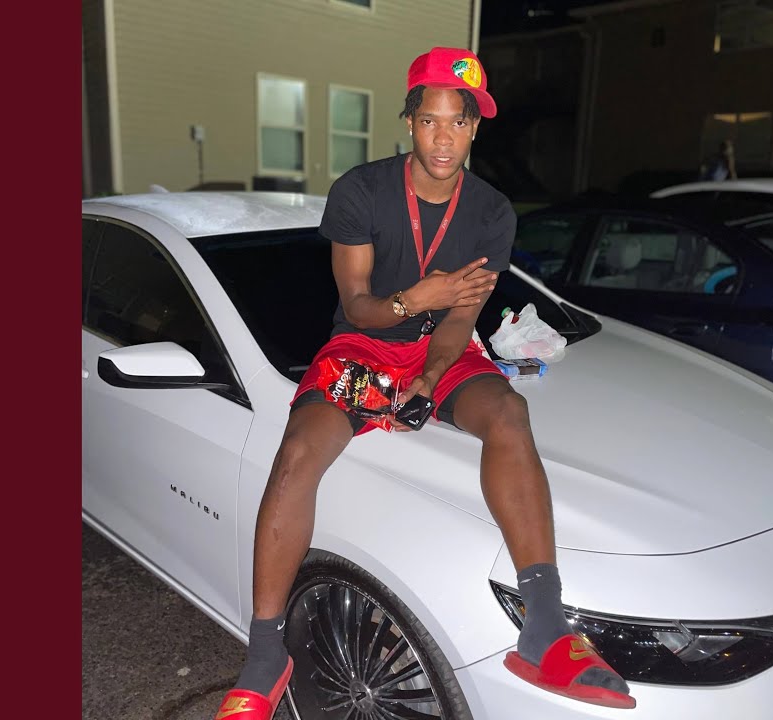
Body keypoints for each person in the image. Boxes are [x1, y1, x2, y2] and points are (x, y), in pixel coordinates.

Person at [213, 47, 636, 720]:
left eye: (459, 122)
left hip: (440, 348)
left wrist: (432, 377)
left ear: (475, 128)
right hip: (365, 346)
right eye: (430, 120)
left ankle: (545, 627)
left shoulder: (492, 212)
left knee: (509, 412)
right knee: (298, 451)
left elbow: (461, 317)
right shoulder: (361, 192)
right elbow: (358, 306)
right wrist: (418, 297)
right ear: (409, 121)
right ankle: (266, 653)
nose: (444, 138)